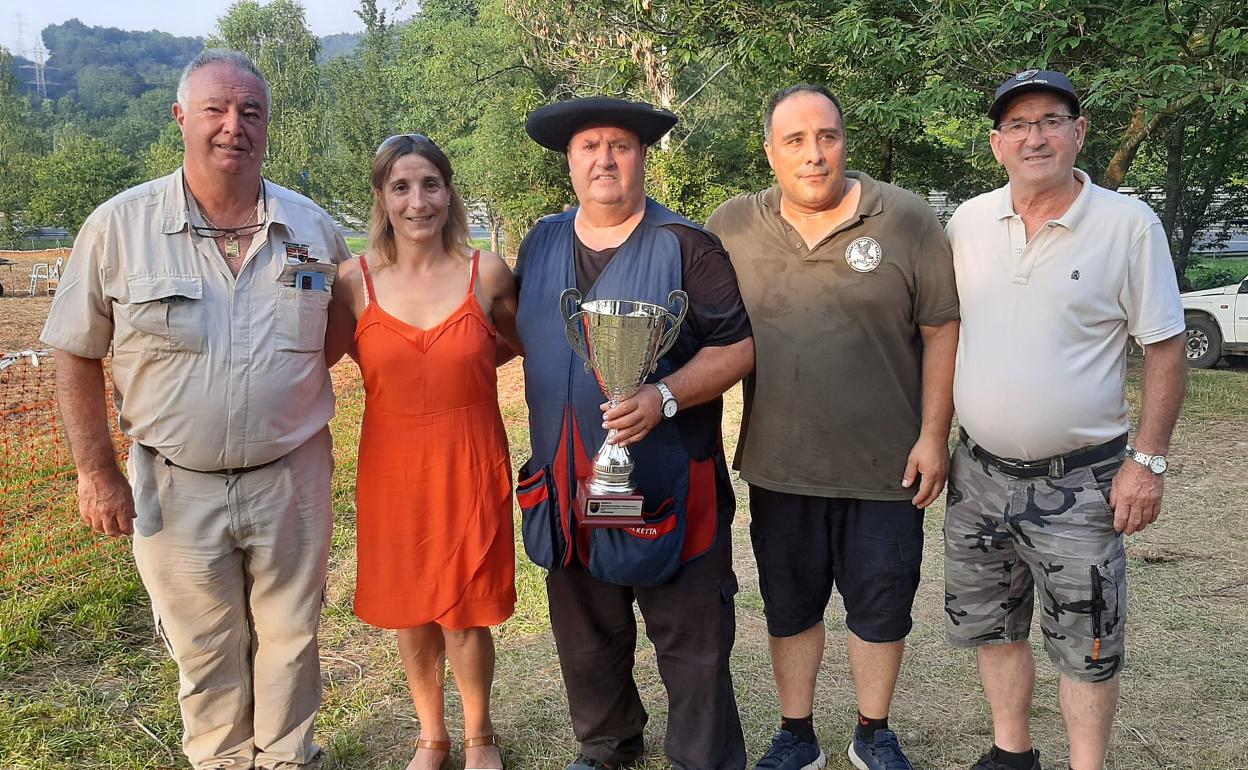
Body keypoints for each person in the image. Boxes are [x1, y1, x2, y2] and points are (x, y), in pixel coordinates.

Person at [41, 49, 351, 769]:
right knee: (205, 646)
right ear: (180, 117)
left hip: (292, 473)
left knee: (292, 637)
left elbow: (337, 335)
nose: (232, 126)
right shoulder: (119, 227)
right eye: (215, 109)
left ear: (269, 126)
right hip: (173, 483)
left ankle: (285, 760)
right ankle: (220, 761)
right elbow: (75, 353)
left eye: (251, 112)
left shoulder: (311, 230)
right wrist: (96, 472)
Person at [706, 84, 960, 770]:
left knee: (881, 608)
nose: (813, 155)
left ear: (845, 141)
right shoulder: (732, 225)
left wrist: (934, 436)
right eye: (795, 140)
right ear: (770, 153)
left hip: (887, 467)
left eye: (827, 137)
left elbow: (941, 330)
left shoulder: (906, 219)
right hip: (781, 463)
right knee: (791, 605)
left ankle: (872, 731)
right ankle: (797, 733)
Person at [944, 69, 1187, 770]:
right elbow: (945, 334)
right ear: (997, 144)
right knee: (993, 625)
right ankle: (1010, 751)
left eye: (1051, 120)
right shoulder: (968, 223)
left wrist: (1149, 461)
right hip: (979, 474)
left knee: (1087, 641)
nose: (1035, 136)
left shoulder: (1127, 226)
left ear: (1079, 132)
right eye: (1018, 125)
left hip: (1082, 481)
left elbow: (1167, 351)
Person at [514, 97, 754, 770]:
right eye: (589, 147)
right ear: (570, 160)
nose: (604, 159)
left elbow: (738, 347)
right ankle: (607, 741)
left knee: (692, 636)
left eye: (619, 145)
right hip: (567, 475)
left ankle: (703, 757)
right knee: (586, 630)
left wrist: (665, 396)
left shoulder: (688, 245)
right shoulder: (541, 242)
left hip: (669, 478)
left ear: (643, 155)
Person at [324, 133, 520, 770]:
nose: (418, 201)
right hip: (392, 463)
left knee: (464, 607)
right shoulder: (352, 283)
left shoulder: (484, 271)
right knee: (412, 606)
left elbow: (523, 345)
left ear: (448, 192)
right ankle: (431, 736)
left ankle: (479, 735)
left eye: (430, 184)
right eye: (401, 187)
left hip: (469, 457)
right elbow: (323, 357)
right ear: (381, 197)